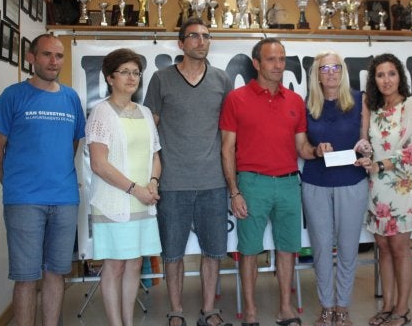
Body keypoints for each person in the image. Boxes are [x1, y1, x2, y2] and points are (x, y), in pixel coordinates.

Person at [220, 38, 327, 326]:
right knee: (249, 250)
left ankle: (285, 309)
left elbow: (301, 148)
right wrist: (234, 191)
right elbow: (227, 148)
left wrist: (316, 152)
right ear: (256, 63)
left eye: (282, 59)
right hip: (252, 184)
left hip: (290, 183)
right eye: (271, 59)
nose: (278, 65)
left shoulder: (294, 101)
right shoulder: (236, 99)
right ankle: (251, 312)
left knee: (288, 248)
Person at [0, 33, 86, 326]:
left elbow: (72, 145)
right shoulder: (12, 95)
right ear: (31, 58)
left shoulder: (71, 98)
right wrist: (16, 187)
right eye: (46, 54)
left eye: (58, 56)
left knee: (57, 273)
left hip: (65, 199)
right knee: (26, 277)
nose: (53, 61)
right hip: (24, 201)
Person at [144, 17, 233, 326]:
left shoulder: (222, 80)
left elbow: (229, 134)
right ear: (180, 44)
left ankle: (209, 309)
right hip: (173, 183)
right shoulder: (161, 79)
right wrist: (152, 176)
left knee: (213, 251)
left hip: (213, 182)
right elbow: (149, 129)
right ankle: (176, 310)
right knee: (172, 254)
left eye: (206, 36)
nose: (200, 41)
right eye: (193, 36)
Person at [86, 48, 162, 326]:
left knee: (133, 263)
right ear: (109, 77)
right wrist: (134, 189)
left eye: (136, 72)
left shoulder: (144, 112)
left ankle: (128, 322)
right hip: (114, 203)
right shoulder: (101, 113)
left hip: (143, 202)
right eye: (125, 72)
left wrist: (153, 182)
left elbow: (155, 155)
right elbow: (99, 164)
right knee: (115, 265)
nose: (132, 78)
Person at [301, 51, 369, 326]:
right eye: (324, 68)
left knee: (348, 248)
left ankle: (342, 307)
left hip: (351, 183)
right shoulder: (307, 104)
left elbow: (365, 140)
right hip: (316, 182)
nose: (330, 72)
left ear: (343, 71)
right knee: (320, 248)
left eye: (336, 67)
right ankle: (326, 306)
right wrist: (316, 150)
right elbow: (302, 148)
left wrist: (366, 148)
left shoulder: (359, 100)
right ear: (316, 73)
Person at [361, 53, 412, 326]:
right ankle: (387, 305)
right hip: (377, 188)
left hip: (401, 186)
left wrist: (379, 164)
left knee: (400, 248)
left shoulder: (410, 105)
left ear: (400, 76)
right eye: (380, 75)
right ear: (374, 80)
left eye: (391, 73)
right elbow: (367, 142)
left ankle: (402, 309)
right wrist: (365, 155)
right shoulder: (374, 109)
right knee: (383, 248)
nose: (386, 80)